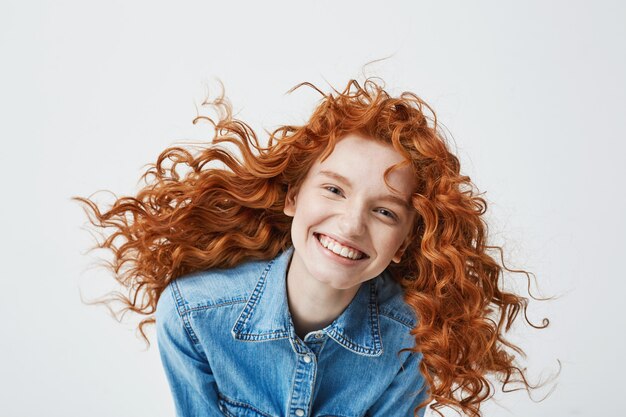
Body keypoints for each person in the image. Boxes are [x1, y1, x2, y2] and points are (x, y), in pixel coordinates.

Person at [75, 78, 550, 417]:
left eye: (385, 211)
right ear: (292, 197)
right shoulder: (193, 315)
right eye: (334, 190)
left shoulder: (414, 343)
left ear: (405, 242)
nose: (351, 224)